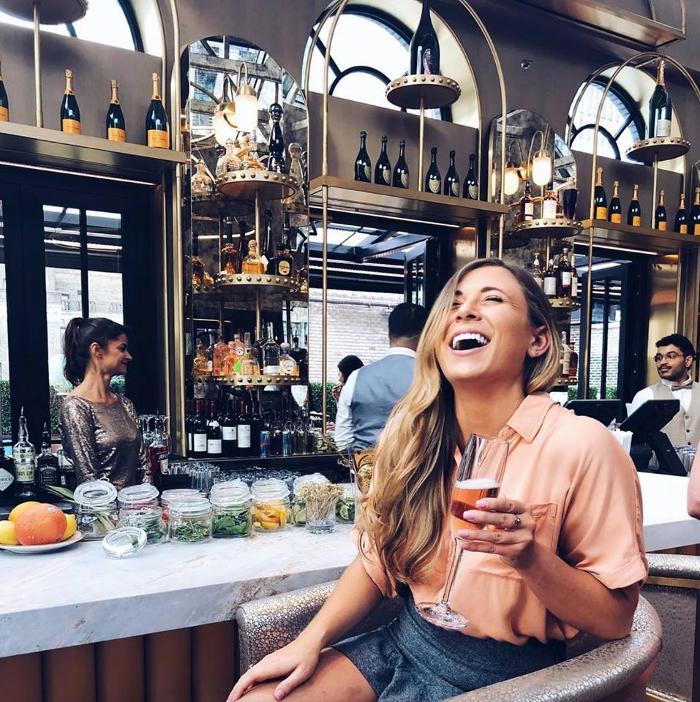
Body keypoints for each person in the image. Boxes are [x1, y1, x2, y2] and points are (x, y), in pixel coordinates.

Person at [229, 259, 646, 702]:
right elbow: (376, 562)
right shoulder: (411, 435)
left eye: (492, 299)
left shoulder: (583, 445)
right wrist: (307, 641)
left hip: (517, 680)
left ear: (537, 339)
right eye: (454, 304)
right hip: (407, 643)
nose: (465, 312)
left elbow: (616, 619)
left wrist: (530, 558)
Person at [60, 317, 150, 488]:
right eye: (122, 348)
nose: (129, 356)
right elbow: (89, 479)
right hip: (102, 505)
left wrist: (147, 498)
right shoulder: (76, 406)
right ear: (97, 350)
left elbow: (143, 465)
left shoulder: (125, 404)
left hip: (137, 503)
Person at [334, 303, 428, 452]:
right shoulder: (433, 377)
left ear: (389, 333)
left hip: (366, 465)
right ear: (426, 334)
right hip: (419, 465)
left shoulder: (356, 377)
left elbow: (342, 441)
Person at [629, 333, 700, 447]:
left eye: (671, 356)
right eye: (658, 358)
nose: (662, 362)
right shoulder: (645, 396)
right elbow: (635, 441)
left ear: (688, 360)